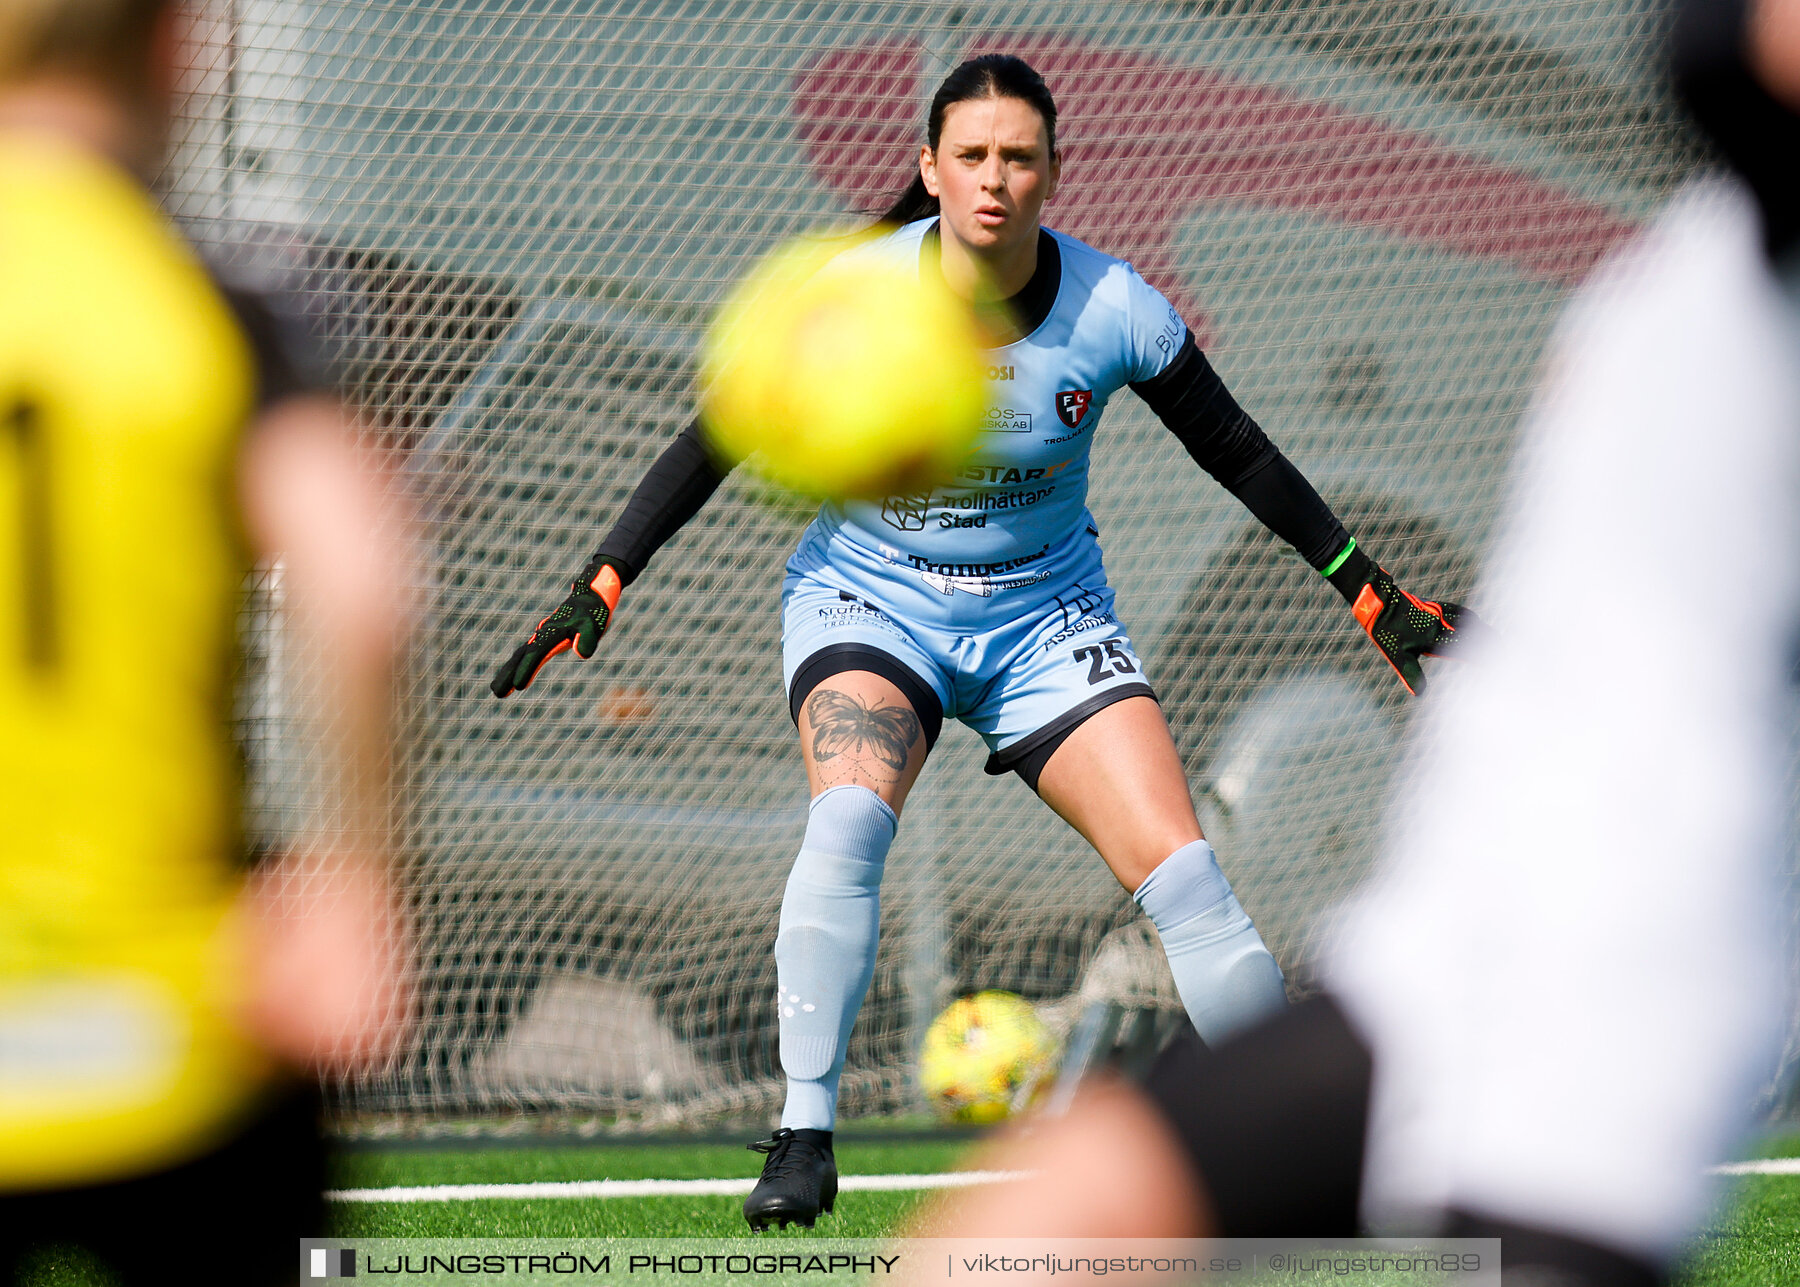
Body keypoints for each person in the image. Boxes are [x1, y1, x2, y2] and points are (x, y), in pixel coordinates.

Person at [491, 54, 1469, 1232]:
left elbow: (1242, 454)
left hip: (1046, 621)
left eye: (1018, 157)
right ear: (929, 169)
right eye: (971, 156)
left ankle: (1302, 1159)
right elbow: (718, 436)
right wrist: (605, 577)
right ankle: (804, 1135)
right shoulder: (856, 292)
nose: (994, 179)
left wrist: (1369, 592)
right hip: (870, 601)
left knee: (1188, 876)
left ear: (1055, 173)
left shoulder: (1111, 308)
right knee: (850, 818)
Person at [912, 2, 1800, 1282]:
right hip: (1446, 942)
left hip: (1622, 979)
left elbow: (1718, 49)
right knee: (1048, 1220)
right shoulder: (1703, 258)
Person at [0, 0, 410, 1280]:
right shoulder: (214, 290)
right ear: (182, 42)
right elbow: (367, 582)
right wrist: (355, 883)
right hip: (175, 1014)